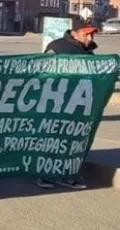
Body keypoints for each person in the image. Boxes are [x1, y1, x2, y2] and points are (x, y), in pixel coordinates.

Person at [36, 23, 97, 190]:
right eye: (87, 34)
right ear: (76, 33)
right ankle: (45, 174)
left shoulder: (88, 51)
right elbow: (43, 69)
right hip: (56, 101)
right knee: (52, 139)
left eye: (92, 35)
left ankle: (67, 174)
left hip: (79, 103)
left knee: (72, 140)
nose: (90, 38)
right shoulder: (58, 46)